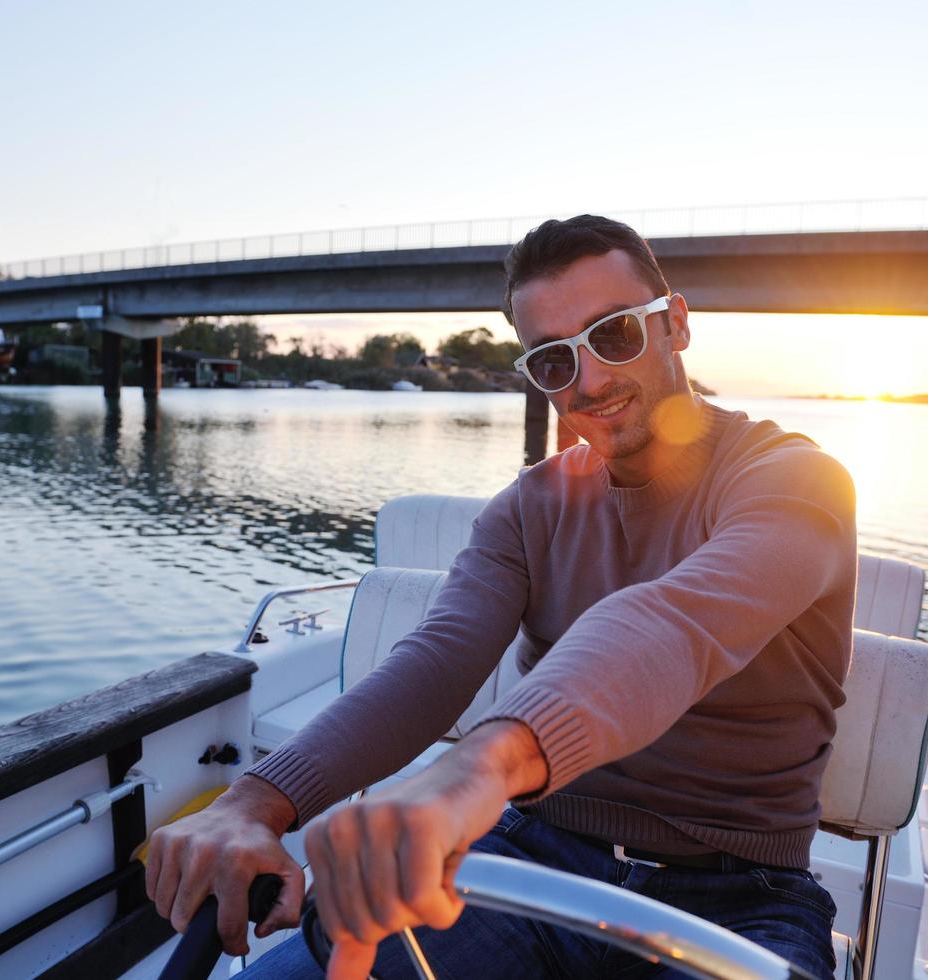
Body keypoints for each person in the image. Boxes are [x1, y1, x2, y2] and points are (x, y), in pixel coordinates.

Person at [145, 215, 857, 979]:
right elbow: (438, 662)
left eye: (614, 335)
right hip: (531, 852)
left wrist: (476, 770)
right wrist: (258, 801)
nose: (588, 381)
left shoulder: (794, 481)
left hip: (741, 894)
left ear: (675, 325)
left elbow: (677, 624)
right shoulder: (529, 508)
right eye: (553, 362)